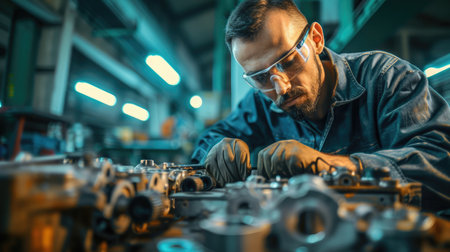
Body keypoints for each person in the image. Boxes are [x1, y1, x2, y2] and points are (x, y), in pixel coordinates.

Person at [191, 0, 450, 211]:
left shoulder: (387, 78)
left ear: (316, 39)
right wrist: (216, 151)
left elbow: (441, 164)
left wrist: (334, 167)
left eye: (289, 61)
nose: (280, 87)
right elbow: (210, 138)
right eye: (260, 77)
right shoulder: (260, 102)